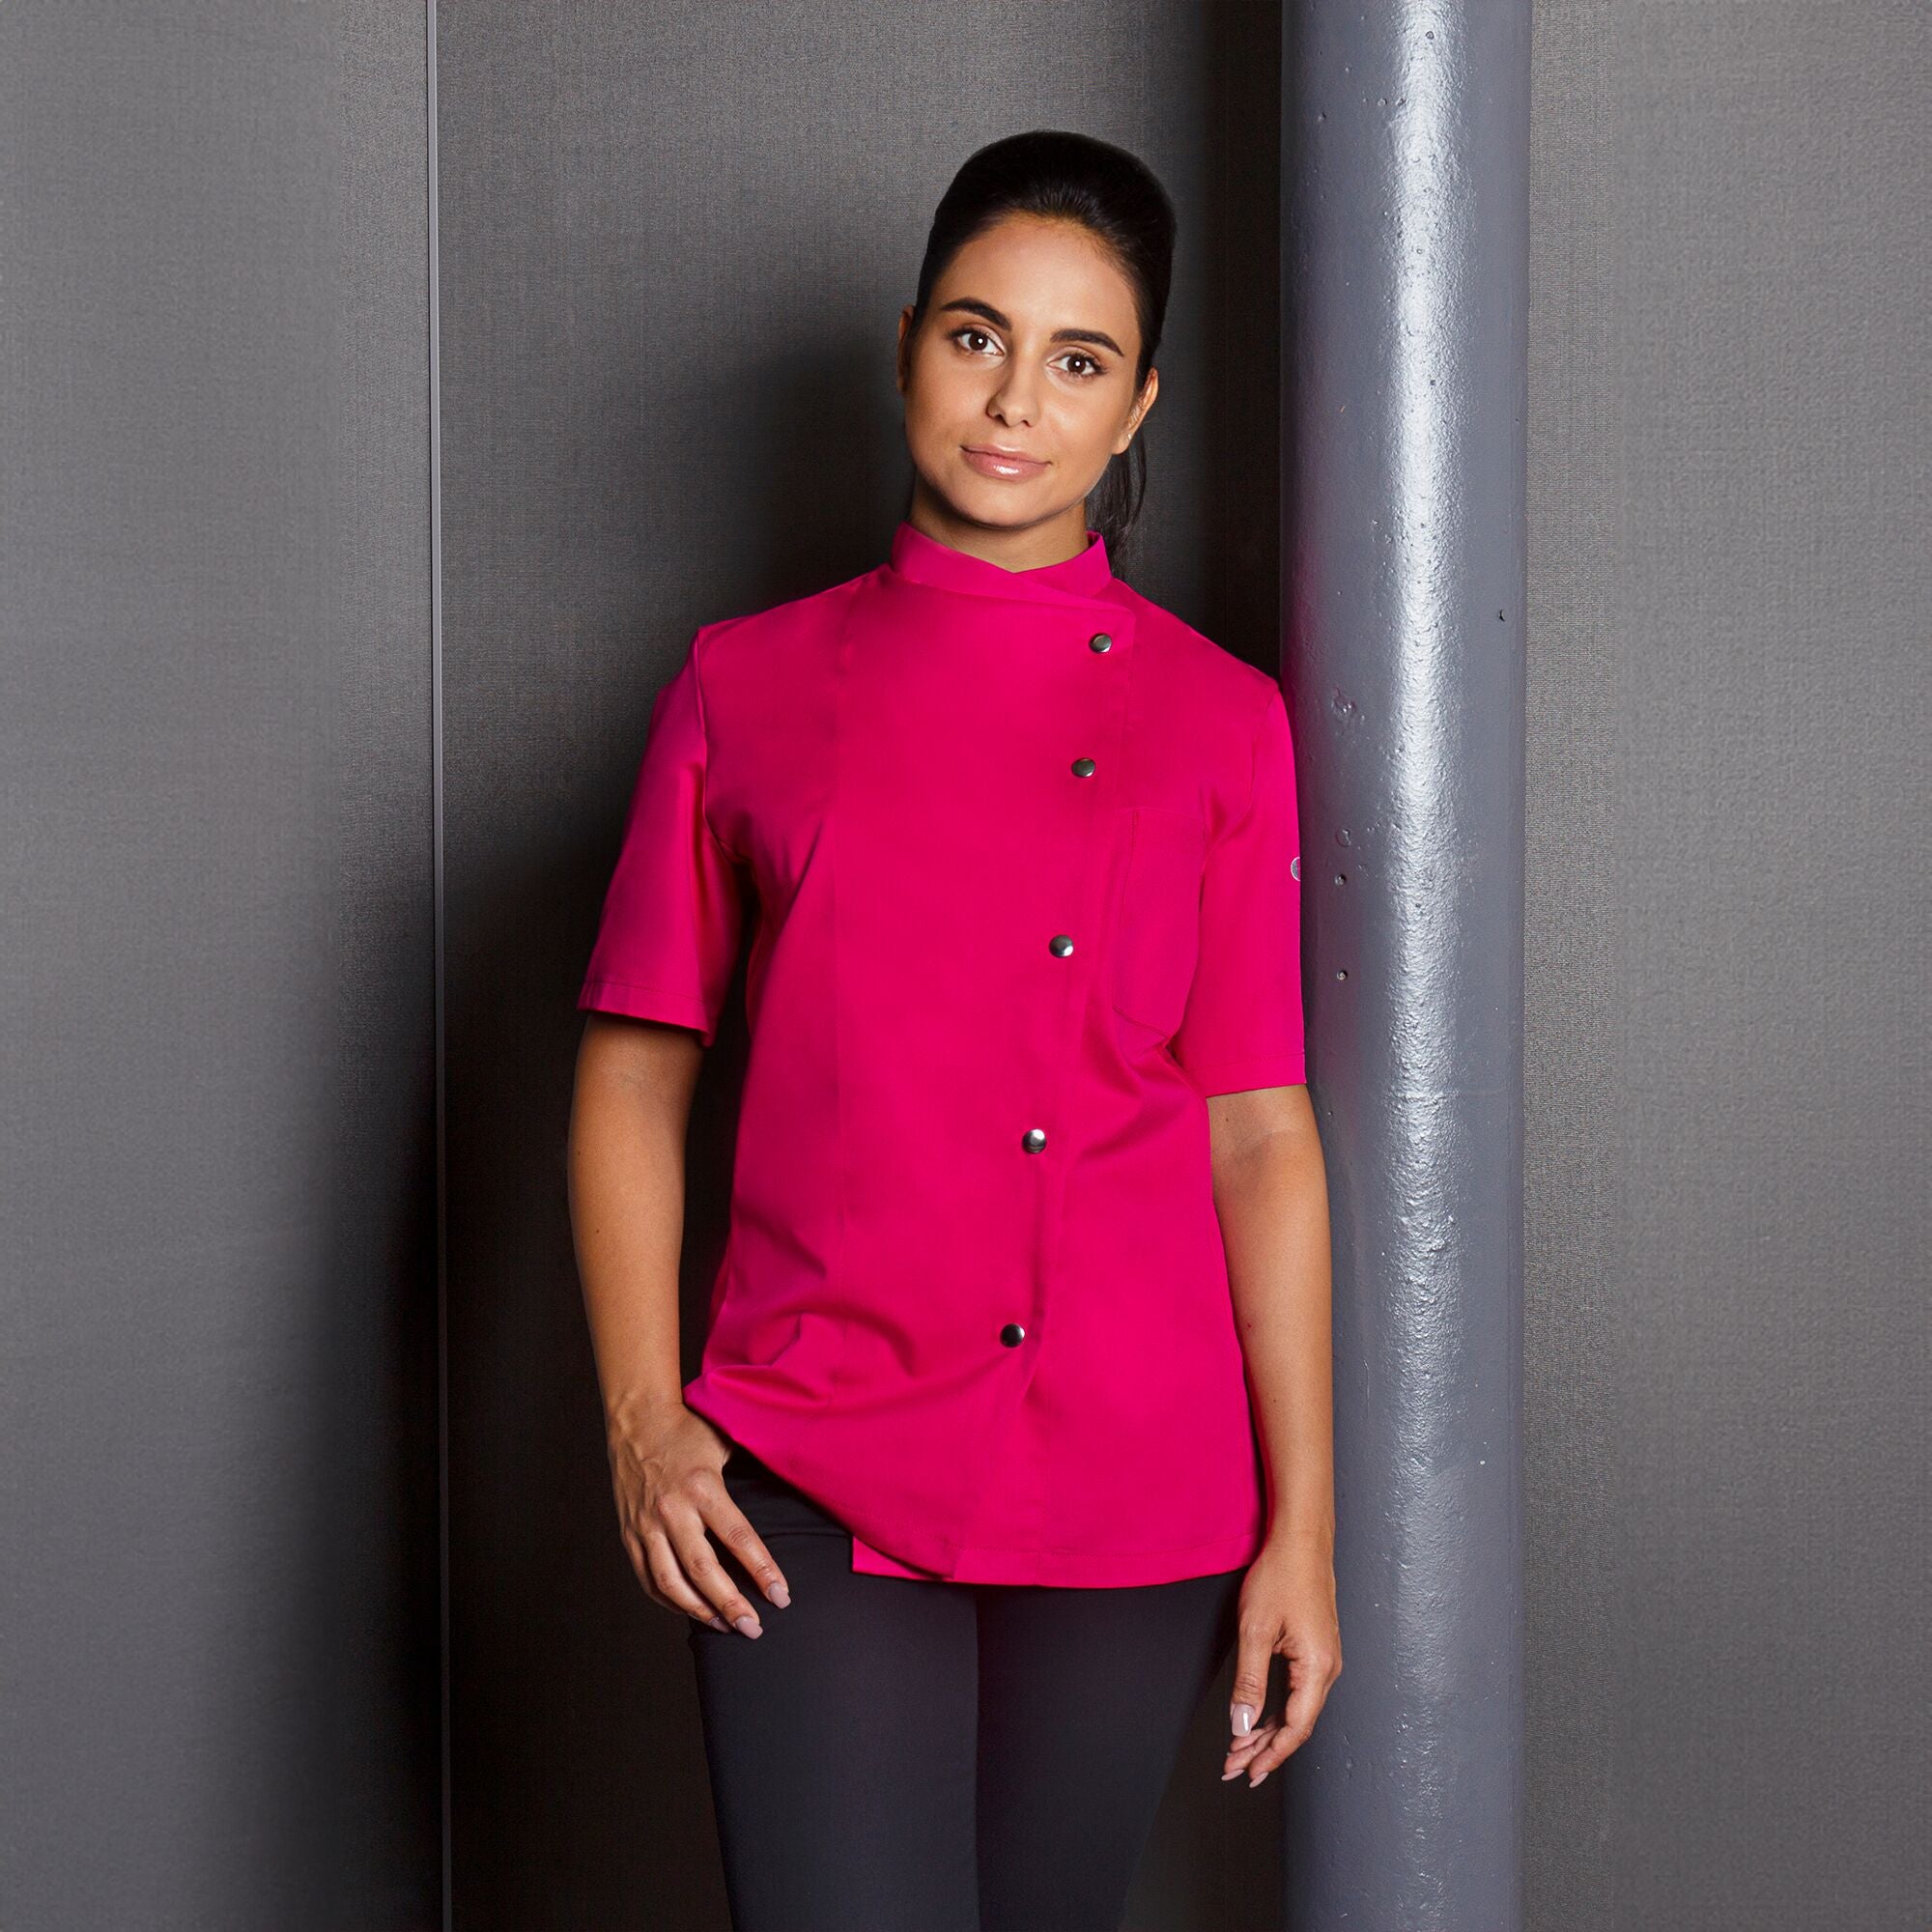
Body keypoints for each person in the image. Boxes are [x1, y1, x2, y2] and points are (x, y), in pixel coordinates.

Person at [567, 128, 1340, 1932]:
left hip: (1136, 1473)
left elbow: (1259, 1131)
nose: (1014, 402)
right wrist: (640, 1420)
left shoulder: (1225, 720)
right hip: (810, 1451)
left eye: (1078, 360)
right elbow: (631, 1072)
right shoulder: (743, 682)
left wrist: (1303, 1523)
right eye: (977, 337)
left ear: (1136, 407)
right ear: (909, 345)